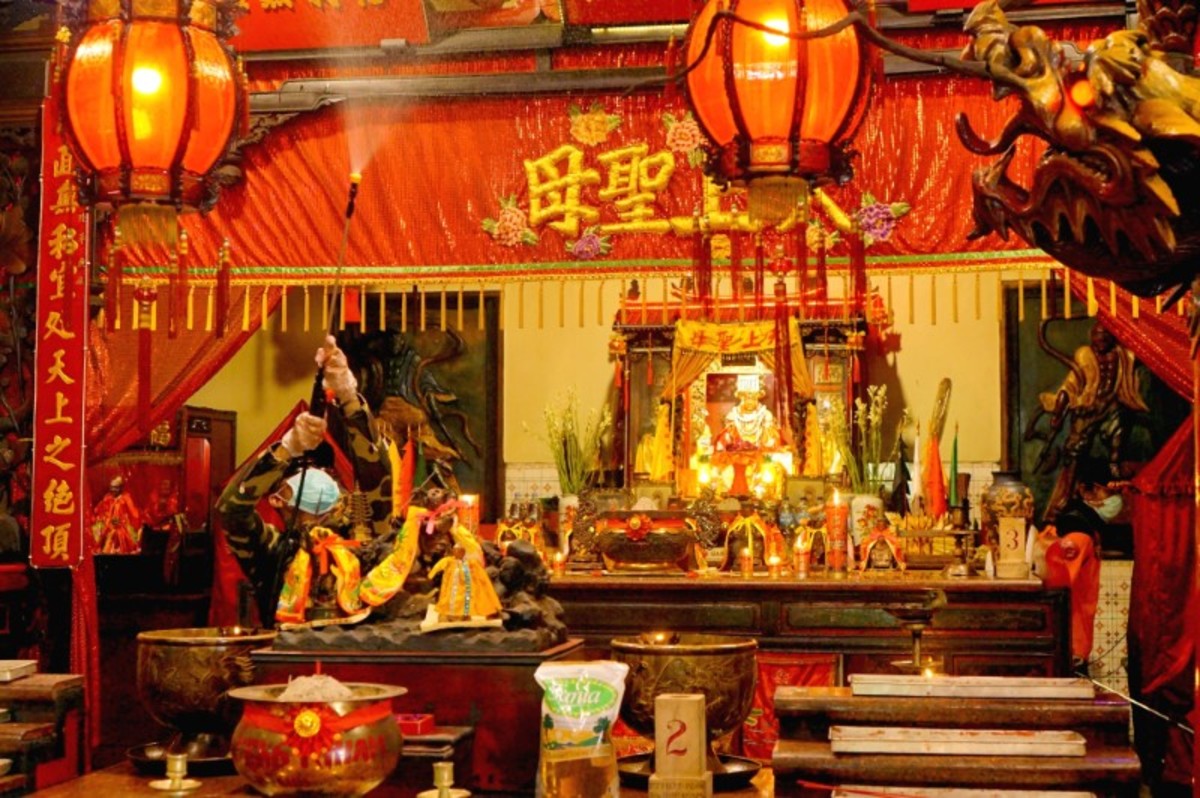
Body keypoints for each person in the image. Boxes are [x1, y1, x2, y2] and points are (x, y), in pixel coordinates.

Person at [218, 335, 397, 628]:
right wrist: (288, 448)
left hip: (355, 652)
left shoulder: (363, 542)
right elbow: (230, 509)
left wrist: (349, 399)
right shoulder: (274, 552)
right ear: (280, 501)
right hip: (288, 652)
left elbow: (378, 478)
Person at [1028, 322, 1147, 521]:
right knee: (1076, 447)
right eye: (1097, 334)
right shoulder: (1085, 357)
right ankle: (1068, 494)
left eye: (1105, 335)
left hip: (1112, 404)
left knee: (1121, 421)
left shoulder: (1124, 356)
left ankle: (1114, 464)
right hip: (1088, 406)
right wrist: (1058, 414)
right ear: (1092, 336)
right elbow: (1069, 387)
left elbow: (1143, 357)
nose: (1101, 339)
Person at [718, 374, 779, 451]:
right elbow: (724, 444)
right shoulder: (733, 416)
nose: (750, 402)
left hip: (761, 454)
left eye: (753, 398)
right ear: (741, 398)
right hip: (737, 455)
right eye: (746, 398)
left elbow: (771, 443)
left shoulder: (765, 415)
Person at [90, 475, 141, 554]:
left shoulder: (126, 498)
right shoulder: (108, 498)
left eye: (116, 487)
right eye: (112, 487)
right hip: (109, 526)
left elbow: (133, 513)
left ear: (121, 488)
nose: (113, 490)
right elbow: (101, 511)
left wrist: (124, 522)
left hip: (122, 528)